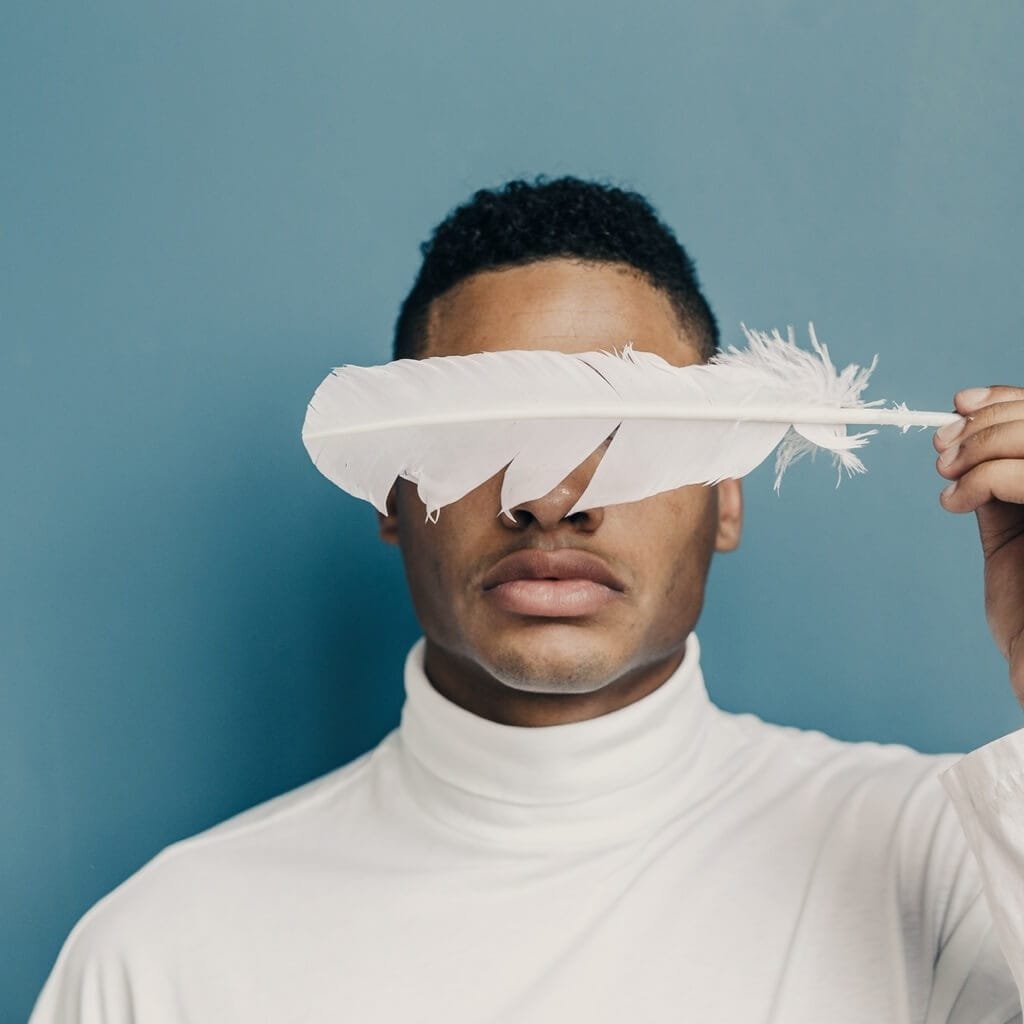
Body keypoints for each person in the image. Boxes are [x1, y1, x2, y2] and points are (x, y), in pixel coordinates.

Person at [30, 177, 1024, 1023]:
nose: (549, 497)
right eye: (483, 433)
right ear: (391, 492)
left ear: (726, 493)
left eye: (625, 434)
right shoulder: (161, 955)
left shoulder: (946, 864)